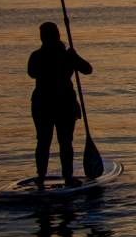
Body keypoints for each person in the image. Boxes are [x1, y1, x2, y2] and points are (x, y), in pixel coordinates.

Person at [28, 22, 92, 188]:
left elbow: (87, 69)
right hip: (60, 103)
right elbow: (87, 69)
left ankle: (42, 177)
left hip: (46, 104)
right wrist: (73, 56)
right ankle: (66, 177)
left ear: (42, 38)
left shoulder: (38, 55)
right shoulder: (65, 55)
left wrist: (73, 56)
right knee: (62, 141)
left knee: (45, 141)